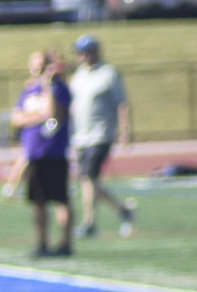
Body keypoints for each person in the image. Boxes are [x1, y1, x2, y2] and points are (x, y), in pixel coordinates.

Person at [68, 34, 135, 239]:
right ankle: (123, 210)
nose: (82, 56)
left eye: (85, 52)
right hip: (81, 136)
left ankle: (90, 223)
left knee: (89, 177)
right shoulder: (79, 75)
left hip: (101, 133)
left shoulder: (108, 73)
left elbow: (121, 102)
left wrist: (126, 130)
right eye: (79, 53)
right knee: (89, 181)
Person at [11, 51, 73, 258]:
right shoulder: (28, 90)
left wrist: (48, 84)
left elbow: (54, 114)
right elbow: (17, 118)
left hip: (54, 152)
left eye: (41, 66)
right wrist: (37, 117)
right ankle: (42, 243)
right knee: (38, 202)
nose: (37, 71)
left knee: (61, 200)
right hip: (34, 154)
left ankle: (65, 243)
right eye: (35, 66)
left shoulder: (59, 89)